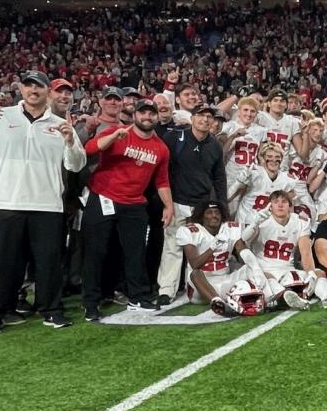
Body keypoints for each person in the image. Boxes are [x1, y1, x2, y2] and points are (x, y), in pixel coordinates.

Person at [0, 71, 87, 334]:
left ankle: (52, 310)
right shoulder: (1, 118)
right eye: (29, 85)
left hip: (46, 205)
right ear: (21, 89)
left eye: (40, 86)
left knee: (49, 263)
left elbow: (76, 164)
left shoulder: (59, 123)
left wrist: (69, 141)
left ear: (48, 92)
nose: (34, 90)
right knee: (0, 264)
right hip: (4, 202)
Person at [81, 99, 174, 322]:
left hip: (134, 204)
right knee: (96, 252)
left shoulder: (161, 148)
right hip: (103, 197)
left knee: (135, 253)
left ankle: (138, 296)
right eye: (143, 113)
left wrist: (169, 205)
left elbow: (162, 180)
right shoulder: (117, 131)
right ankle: (91, 302)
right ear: (135, 115)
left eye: (151, 114)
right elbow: (89, 149)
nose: (147, 117)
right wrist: (113, 137)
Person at [155, 106, 228, 304]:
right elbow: (162, 171)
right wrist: (165, 202)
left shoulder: (215, 146)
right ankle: (166, 290)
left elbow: (219, 178)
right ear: (192, 118)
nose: (205, 119)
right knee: (172, 246)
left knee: (197, 248)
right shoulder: (174, 138)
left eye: (209, 116)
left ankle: (193, 288)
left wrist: (223, 206)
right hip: (177, 201)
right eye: (201, 115)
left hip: (200, 205)